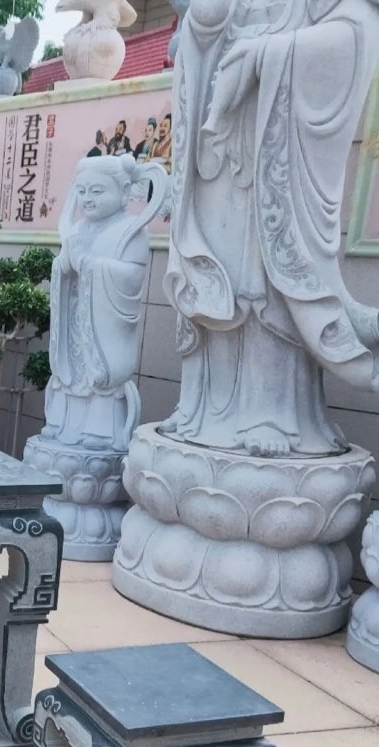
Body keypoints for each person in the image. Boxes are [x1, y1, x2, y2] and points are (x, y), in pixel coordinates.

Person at [160, 0, 379, 458]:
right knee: (217, 281)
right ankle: (200, 407)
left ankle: (271, 414)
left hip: (277, 153)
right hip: (219, 162)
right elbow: (196, 38)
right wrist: (204, 27)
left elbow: (359, 30)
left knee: (265, 286)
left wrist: (271, 53)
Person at [42, 154, 168, 451]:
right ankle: (61, 424)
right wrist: (64, 265)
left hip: (102, 333)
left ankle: (100, 433)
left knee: (99, 385)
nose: (87, 198)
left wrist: (87, 263)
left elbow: (131, 278)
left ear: (124, 191)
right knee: (71, 377)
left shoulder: (131, 231)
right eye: (82, 191)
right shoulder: (77, 229)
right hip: (76, 326)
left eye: (97, 191)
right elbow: (65, 268)